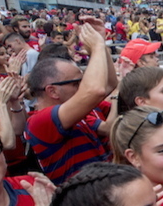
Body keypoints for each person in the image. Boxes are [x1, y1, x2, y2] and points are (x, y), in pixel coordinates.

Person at [25, 21, 116, 184]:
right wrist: (96, 48)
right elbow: (96, 90)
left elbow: (108, 84)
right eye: (76, 83)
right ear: (52, 91)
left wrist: (101, 44)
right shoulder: (39, 121)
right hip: (85, 201)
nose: (82, 87)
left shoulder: (74, 110)